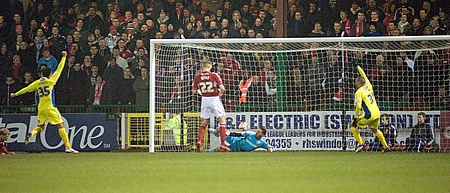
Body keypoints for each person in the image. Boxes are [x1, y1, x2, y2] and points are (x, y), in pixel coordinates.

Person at [10, 51, 78, 154]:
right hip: (50, 107)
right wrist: (64, 57)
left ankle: (32, 133)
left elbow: (27, 89)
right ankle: (68, 146)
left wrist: (15, 94)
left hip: (41, 108)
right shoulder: (51, 81)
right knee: (61, 125)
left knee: (41, 127)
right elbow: (59, 69)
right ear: (50, 74)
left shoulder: (37, 82)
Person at [192, 57, 229, 152]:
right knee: (222, 121)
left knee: (204, 122)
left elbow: (194, 91)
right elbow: (223, 88)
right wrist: (220, 93)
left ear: (202, 67)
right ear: (210, 66)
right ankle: (223, 144)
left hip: (204, 99)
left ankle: (199, 141)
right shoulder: (214, 75)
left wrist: (200, 91)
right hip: (214, 99)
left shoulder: (197, 76)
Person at [350, 65, 389, 153]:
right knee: (375, 129)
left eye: (356, 82)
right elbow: (364, 76)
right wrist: (359, 68)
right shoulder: (368, 85)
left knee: (352, 124)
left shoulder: (358, 92)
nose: (355, 84)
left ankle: (361, 144)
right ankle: (386, 147)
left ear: (359, 83)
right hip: (377, 113)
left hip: (369, 115)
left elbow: (358, 106)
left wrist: (356, 117)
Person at [208, 127, 273, 152]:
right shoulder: (250, 133)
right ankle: (217, 133)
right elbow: (239, 134)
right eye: (257, 131)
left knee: (218, 149)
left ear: (262, 135)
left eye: (259, 132)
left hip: (236, 149)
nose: (256, 133)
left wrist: (270, 149)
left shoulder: (262, 142)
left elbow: (270, 148)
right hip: (235, 141)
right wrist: (229, 134)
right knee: (220, 129)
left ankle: (206, 151)